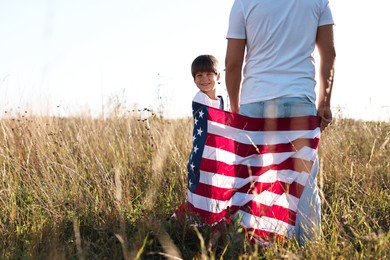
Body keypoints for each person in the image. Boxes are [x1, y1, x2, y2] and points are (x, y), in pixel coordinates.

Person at [225, 0, 336, 246]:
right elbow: (329, 53)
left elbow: (232, 63)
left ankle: (245, 246)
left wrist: (235, 108)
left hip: (255, 102)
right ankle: (310, 248)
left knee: (249, 180)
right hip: (299, 101)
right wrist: (324, 102)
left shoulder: (243, 2)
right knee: (304, 184)